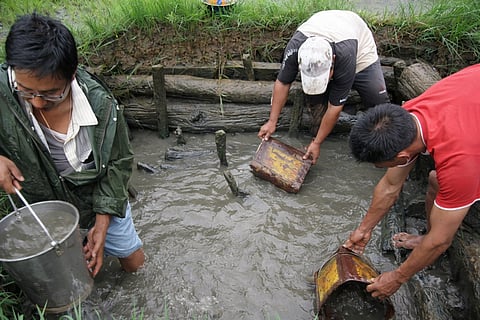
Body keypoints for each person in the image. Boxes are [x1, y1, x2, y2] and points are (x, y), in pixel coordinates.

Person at [0, 13, 144, 277]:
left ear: (72, 75)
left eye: (51, 93)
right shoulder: (3, 92)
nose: (38, 102)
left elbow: (117, 163)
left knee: (133, 262)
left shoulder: (102, 107)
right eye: (27, 91)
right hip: (41, 199)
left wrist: (102, 224)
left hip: (92, 195)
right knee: (65, 271)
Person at [343, 63, 480, 299]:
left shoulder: (459, 163)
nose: (381, 170)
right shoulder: (408, 116)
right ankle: (424, 237)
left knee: (443, 186)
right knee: (436, 180)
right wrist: (363, 230)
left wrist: (397, 277)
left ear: (403, 157)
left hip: (469, 147)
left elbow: (441, 241)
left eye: (381, 165)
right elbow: (390, 186)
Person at [257, 10, 389, 164]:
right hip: (320, 27)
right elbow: (283, 82)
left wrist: (317, 143)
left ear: (333, 62)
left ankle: (383, 145)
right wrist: (272, 121)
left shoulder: (345, 56)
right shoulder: (295, 49)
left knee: (377, 100)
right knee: (316, 102)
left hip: (357, 46)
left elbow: (335, 107)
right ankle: (320, 130)